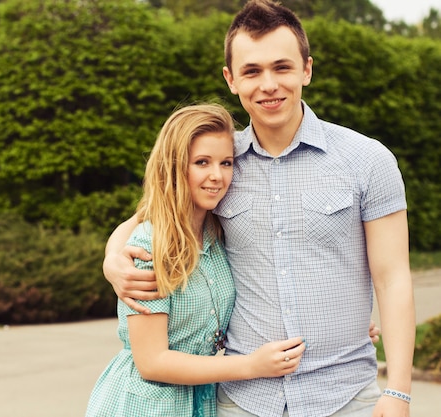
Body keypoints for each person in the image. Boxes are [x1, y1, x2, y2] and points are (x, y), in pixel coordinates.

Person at [102, 1, 415, 416]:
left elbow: (392, 279)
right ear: (231, 80)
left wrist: (398, 391)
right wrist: (112, 258)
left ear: (306, 70)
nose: (268, 84)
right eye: (252, 71)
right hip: (243, 401)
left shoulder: (367, 160)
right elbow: (154, 211)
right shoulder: (221, 163)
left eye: (281, 67)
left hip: (345, 396)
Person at [86, 103, 307, 417]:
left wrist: (327, 326)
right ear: (176, 167)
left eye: (226, 163)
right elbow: (152, 362)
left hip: (201, 400)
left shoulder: (218, 232)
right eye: (202, 162)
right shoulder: (151, 244)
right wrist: (251, 366)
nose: (217, 176)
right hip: (144, 405)